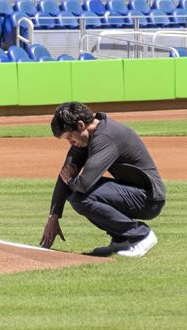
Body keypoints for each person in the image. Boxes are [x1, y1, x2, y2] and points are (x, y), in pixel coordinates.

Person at [39, 102, 166, 257]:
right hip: (131, 191)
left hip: (149, 199)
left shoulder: (105, 136)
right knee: (75, 194)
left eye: (70, 137)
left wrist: (72, 181)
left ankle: (141, 235)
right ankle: (121, 240)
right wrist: (54, 216)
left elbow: (83, 184)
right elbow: (64, 176)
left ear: (80, 125)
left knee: (81, 197)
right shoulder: (87, 135)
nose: (71, 143)